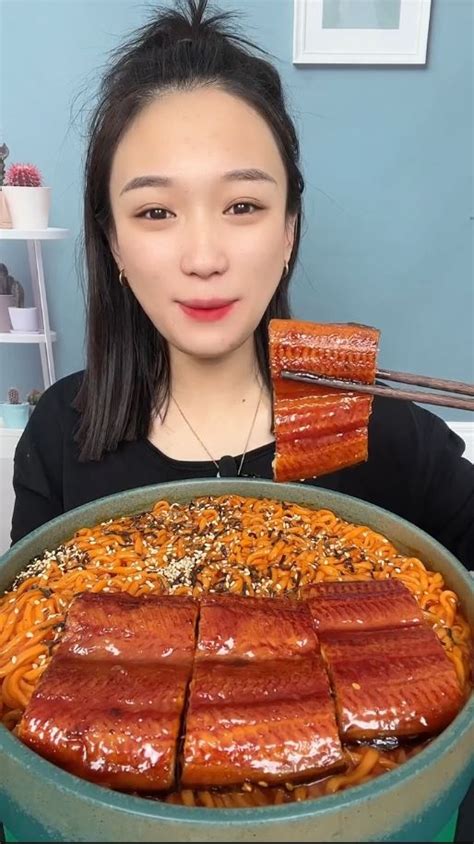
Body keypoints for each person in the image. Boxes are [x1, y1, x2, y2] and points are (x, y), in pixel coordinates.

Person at [10, 0, 474, 570]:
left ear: (288, 230)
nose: (204, 259)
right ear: (115, 245)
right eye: (155, 212)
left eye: (242, 206)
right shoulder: (60, 432)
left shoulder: (387, 429)